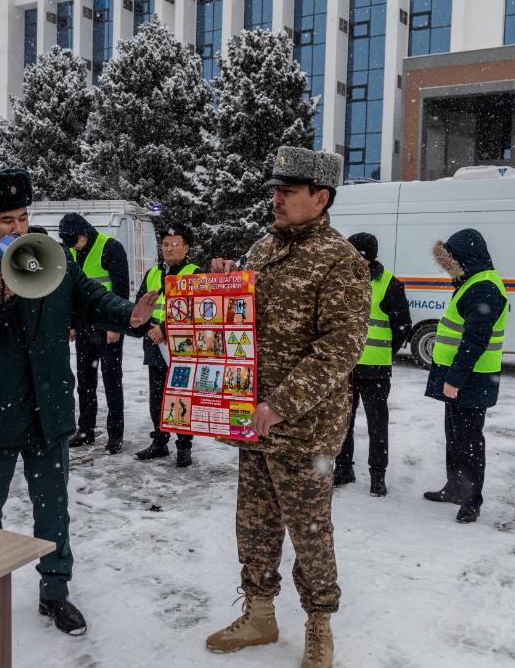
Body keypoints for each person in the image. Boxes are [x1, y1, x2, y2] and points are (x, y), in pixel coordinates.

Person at [0, 168, 156, 636]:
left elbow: (87, 296)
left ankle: (55, 592)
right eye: (7, 220)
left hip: (47, 408)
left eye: (24, 217)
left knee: (52, 509)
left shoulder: (46, 255)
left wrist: (129, 314)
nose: (18, 229)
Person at [204, 146, 369, 668]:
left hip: (304, 429)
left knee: (309, 530)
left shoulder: (341, 260)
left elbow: (339, 349)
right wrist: (225, 281)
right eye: (275, 189)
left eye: (288, 191)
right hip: (254, 421)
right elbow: (240, 325)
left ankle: (319, 625)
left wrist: (280, 404)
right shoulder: (263, 248)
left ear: (320, 199)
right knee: (254, 524)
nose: (275, 199)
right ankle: (259, 613)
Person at [422, 229, 507, 525]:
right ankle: (455, 488)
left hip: (472, 378)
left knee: (469, 441)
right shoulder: (472, 282)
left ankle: (471, 500)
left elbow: (475, 340)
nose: (450, 267)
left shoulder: (484, 288)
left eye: (453, 260)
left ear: (466, 258)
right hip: (460, 375)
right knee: (455, 437)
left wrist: (455, 378)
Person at [333, 232, 412, 497]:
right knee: (344, 421)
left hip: (376, 368)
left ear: (366, 256)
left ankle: (378, 476)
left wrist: (385, 353)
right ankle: (344, 468)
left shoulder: (389, 284)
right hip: (346, 366)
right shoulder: (342, 279)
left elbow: (402, 326)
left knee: (378, 424)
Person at [57, 212, 131, 452]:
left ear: (84, 232)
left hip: (106, 326)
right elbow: (70, 291)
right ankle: (86, 430)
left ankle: (115, 434)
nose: (72, 247)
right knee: (85, 382)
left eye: (74, 241)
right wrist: (70, 323)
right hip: (84, 327)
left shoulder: (111, 248)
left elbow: (120, 291)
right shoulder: (71, 252)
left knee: (111, 382)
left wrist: (115, 325)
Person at [134, 222, 201, 467]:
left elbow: (197, 312)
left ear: (187, 248)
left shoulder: (194, 274)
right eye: (165, 244)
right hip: (154, 344)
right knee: (157, 397)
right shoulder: (152, 273)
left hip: (181, 346)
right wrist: (147, 327)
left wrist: (164, 329)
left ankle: (184, 445)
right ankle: (159, 441)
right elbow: (139, 305)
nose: (169, 249)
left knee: (181, 395)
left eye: (175, 244)